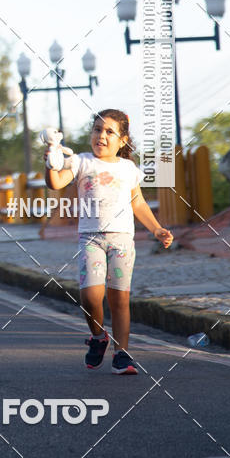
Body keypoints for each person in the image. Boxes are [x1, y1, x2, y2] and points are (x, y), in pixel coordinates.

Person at [45, 109, 173, 374]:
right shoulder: (81, 162)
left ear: (123, 139)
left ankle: (122, 354)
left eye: (109, 131)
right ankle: (98, 336)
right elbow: (55, 182)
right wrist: (50, 162)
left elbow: (137, 202)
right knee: (90, 297)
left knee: (120, 300)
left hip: (122, 240)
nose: (101, 135)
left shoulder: (128, 168)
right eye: (97, 130)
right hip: (90, 239)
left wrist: (157, 228)